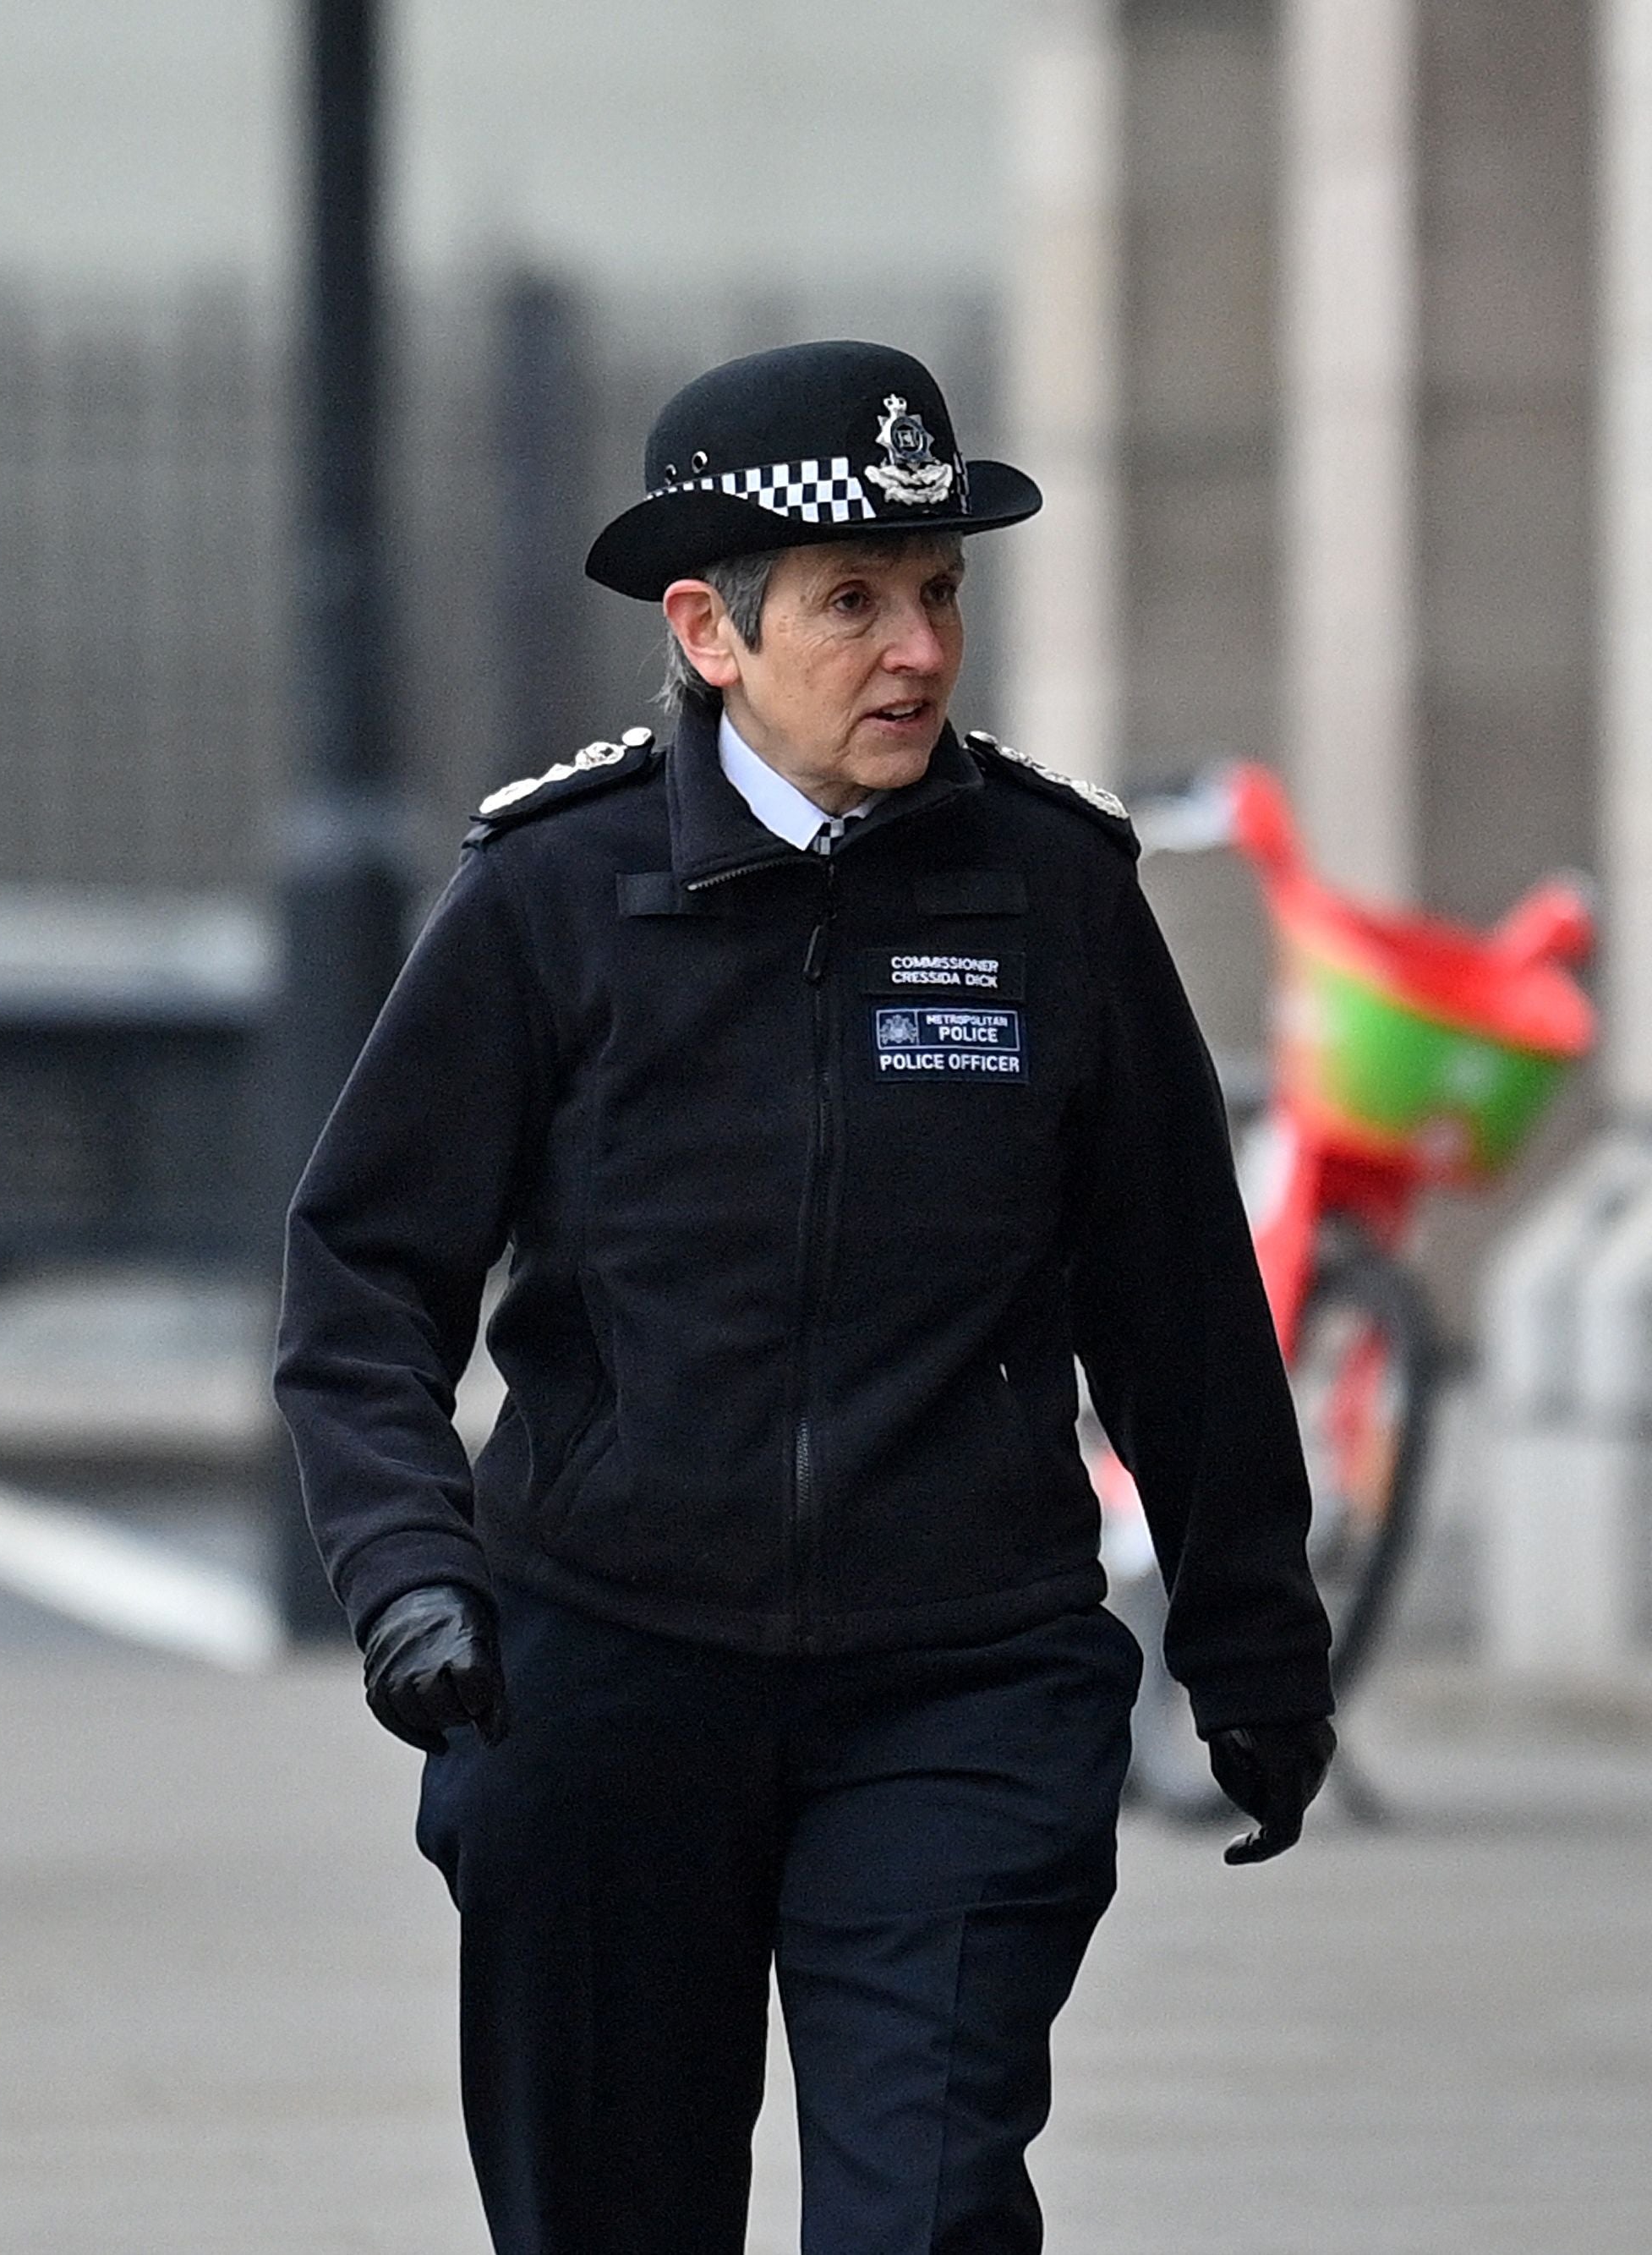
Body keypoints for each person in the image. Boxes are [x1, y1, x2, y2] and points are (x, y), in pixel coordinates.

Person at [273, 339, 1338, 2252]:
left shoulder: (1055, 892)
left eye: (936, 592)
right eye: (852, 602)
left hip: (958, 1672)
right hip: (594, 1680)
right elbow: (361, 1276)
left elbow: (1176, 1296)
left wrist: (1249, 1638)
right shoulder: (549, 895)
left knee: (921, 2213)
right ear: (707, 631)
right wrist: (408, 1575)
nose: (916, 649)